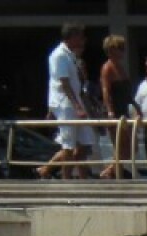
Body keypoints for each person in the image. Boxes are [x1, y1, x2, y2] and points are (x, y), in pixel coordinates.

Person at [37, 23, 94, 180]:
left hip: (75, 102)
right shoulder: (59, 55)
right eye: (80, 36)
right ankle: (66, 181)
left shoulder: (71, 55)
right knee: (68, 145)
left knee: (84, 143)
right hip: (66, 104)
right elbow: (63, 82)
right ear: (72, 37)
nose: (83, 40)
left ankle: (83, 179)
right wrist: (76, 106)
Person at [99, 35, 136, 178]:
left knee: (130, 146)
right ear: (111, 50)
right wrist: (109, 111)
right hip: (114, 111)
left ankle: (113, 170)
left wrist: (136, 106)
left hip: (124, 110)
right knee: (120, 145)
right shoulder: (107, 68)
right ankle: (110, 171)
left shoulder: (121, 67)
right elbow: (105, 90)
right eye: (119, 48)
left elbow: (127, 92)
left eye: (123, 48)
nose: (123, 51)